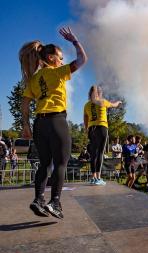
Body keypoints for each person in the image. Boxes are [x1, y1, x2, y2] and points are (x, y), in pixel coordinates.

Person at [20, 27, 87, 218]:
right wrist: (74, 41)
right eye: (60, 57)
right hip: (56, 121)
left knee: (44, 164)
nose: (62, 61)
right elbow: (83, 60)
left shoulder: (33, 79)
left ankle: (38, 199)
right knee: (60, 164)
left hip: (39, 124)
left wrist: (25, 125)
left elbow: (25, 103)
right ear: (50, 58)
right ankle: (55, 202)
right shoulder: (56, 72)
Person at [84, 85, 122, 185]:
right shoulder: (102, 102)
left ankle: (93, 178)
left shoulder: (87, 105)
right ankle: (99, 178)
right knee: (100, 152)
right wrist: (118, 102)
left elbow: (85, 117)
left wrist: (86, 128)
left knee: (93, 153)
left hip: (91, 129)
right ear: (99, 93)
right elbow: (114, 105)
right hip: (102, 128)